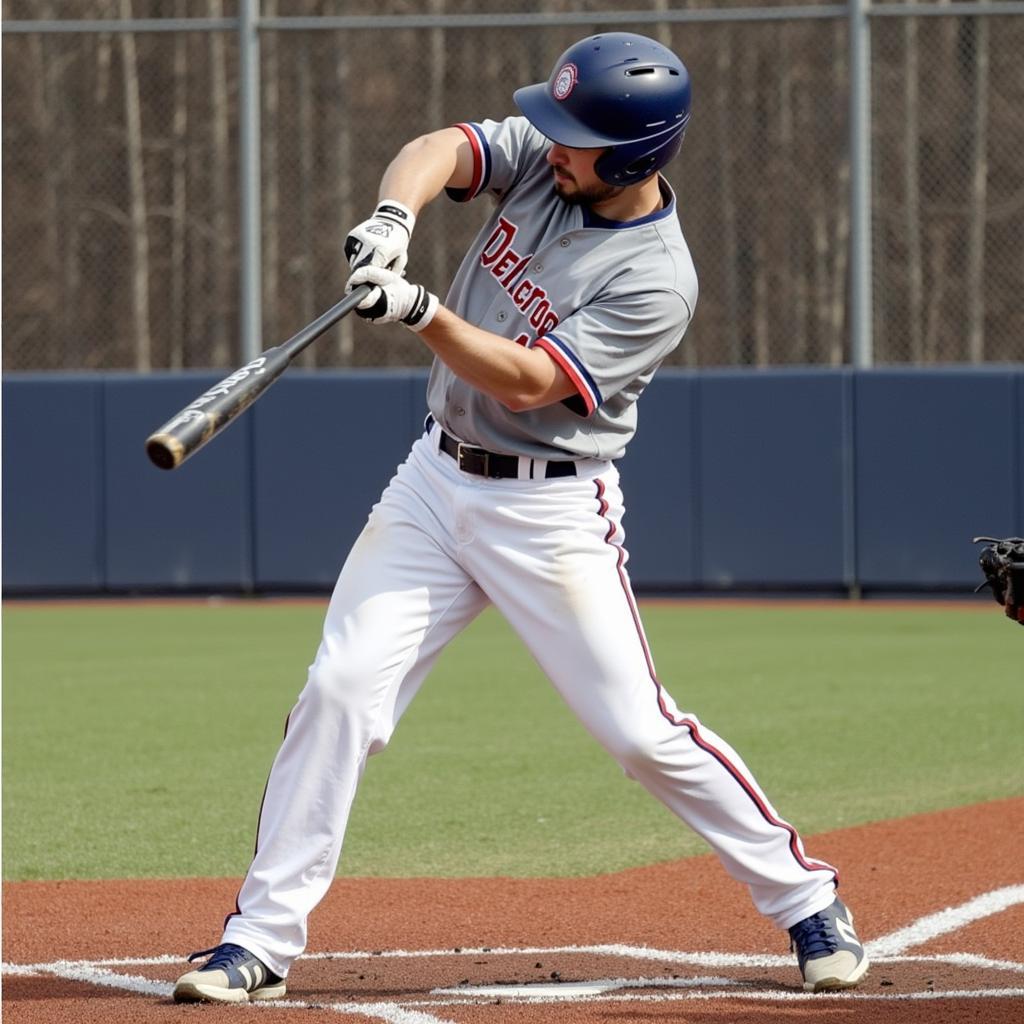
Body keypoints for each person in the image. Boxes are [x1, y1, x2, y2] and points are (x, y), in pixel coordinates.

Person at [174, 32, 868, 1004]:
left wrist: (419, 313)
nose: (550, 145)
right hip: (434, 484)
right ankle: (258, 939)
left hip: (550, 510)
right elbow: (440, 151)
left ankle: (804, 896)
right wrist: (390, 218)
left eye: (574, 138)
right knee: (338, 691)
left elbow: (534, 380)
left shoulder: (657, 280)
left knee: (638, 731)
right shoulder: (550, 162)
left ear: (631, 157)